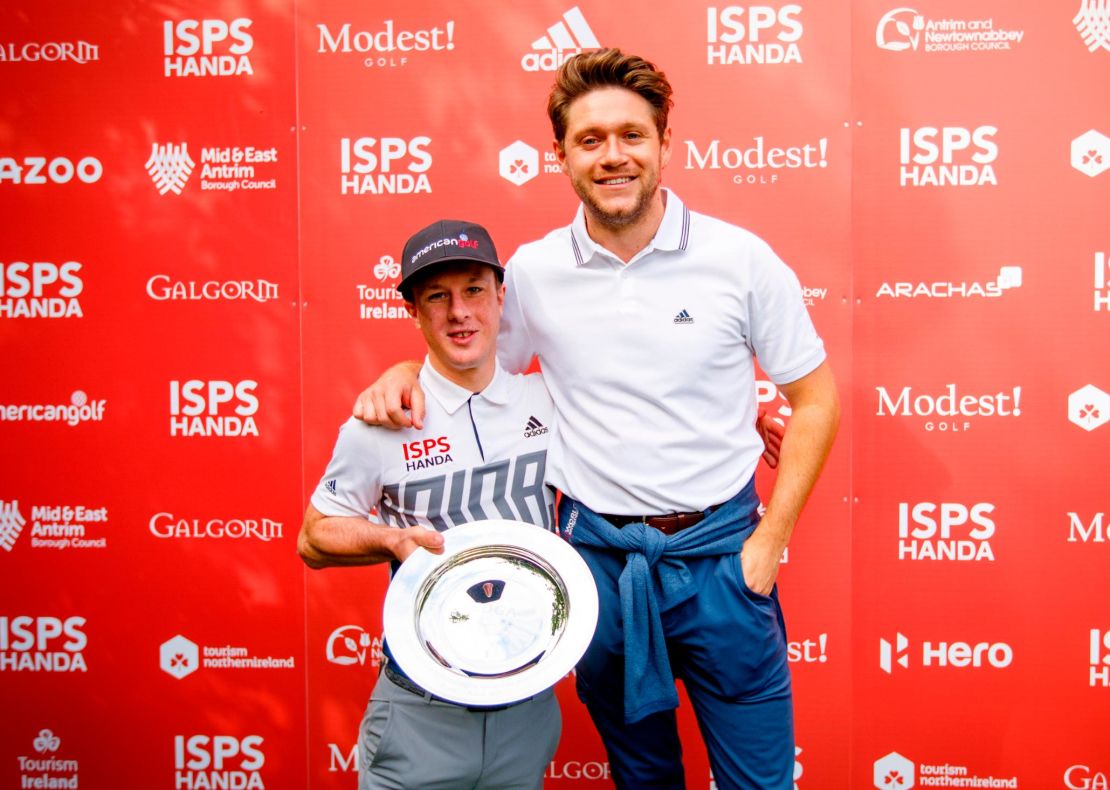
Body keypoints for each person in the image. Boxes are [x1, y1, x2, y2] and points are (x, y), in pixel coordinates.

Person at [354, 49, 840, 790]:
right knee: (642, 778)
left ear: (665, 144)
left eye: (631, 135)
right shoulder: (536, 272)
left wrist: (768, 542)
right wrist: (399, 372)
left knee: (761, 783)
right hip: (599, 568)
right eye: (590, 140)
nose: (613, 156)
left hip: (723, 559)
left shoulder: (740, 260)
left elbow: (817, 398)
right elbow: (472, 368)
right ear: (561, 156)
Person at [298, 219, 561, 790]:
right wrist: (389, 539)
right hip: (421, 713)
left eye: (473, 290)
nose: (459, 312)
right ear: (414, 313)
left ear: (500, 297)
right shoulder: (380, 421)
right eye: (436, 297)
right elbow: (313, 538)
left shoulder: (551, 400)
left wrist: (754, 419)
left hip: (527, 704)